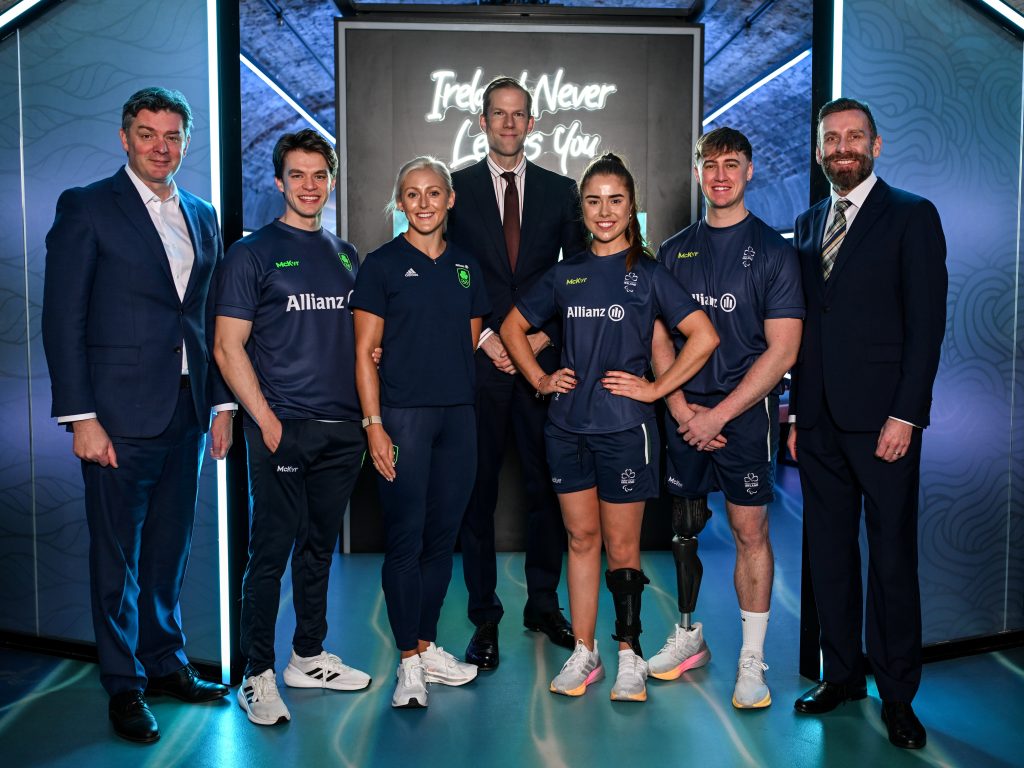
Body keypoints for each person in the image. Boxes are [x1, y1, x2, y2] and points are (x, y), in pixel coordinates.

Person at [41, 87, 233, 744]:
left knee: (168, 552)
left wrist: (221, 403)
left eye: (173, 135)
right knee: (116, 557)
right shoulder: (88, 207)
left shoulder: (202, 214)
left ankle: (165, 662)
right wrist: (81, 417)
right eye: (148, 133)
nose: (161, 146)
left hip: (184, 410)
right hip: (115, 416)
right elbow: (62, 318)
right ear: (125, 137)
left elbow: (206, 319)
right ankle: (123, 686)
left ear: (185, 142)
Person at [502, 153, 718, 702]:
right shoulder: (566, 273)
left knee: (622, 549)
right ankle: (585, 651)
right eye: (593, 200)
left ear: (631, 208)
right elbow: (511, 325)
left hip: (625, 431)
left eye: (615, 200)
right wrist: (540, 380)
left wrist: (653, 389)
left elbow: (704, 336)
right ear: (583, 208)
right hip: (566, 429)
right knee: (580, 539)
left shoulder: (647, 274)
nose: (604, 211)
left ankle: (629, 653)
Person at [789, 98, 946, 750]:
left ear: (875, 146)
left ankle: (899, 695)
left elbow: (927, 325)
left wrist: (906, 415)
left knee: (890, 562)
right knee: (827, 557)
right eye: (832, 139)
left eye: (854, 137)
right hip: (820, 422)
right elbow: (801, 331)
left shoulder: (912, 216)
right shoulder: (806, 222)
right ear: (821, 151)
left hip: (885, 424)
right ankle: (843, 675)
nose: (843, 147)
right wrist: (796, 412)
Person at [213, 129, 372, 726]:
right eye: (298, 175)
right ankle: (257, 673)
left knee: (318, 550)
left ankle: (308, 656)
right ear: (279, 182)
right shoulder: (250, 254)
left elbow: (356, 339)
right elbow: (228, 348)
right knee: (270, 552)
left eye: (319, 176)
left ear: (330, 182)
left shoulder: (345, 253)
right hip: (282, 428)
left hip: (341, 430)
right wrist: (266, 422)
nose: (309, 186)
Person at [647, 127, 804, 710]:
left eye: (731, 164)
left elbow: (783, 350)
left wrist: (721, 415)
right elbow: (658, 337)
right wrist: (685, 408)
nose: (720, 175)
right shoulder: (673, 250)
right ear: (697, 172)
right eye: (710, 165)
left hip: (742, 416)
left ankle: (751, 659)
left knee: (749, 532)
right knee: (683, 527)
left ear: (749, 171)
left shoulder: (774, 250)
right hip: (686, 414)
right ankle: (690, 637)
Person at [447, 76, 587, 668]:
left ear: (533, 124)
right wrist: (485, 337)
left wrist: (538, 337)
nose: (508, 124)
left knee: (546, 490)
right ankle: (484, 616)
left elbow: (580, 275)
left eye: (518, 115)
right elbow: (443, 272)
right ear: (482, 122)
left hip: (542, 362)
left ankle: (542, 601)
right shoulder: (453, 190)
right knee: (475, 495)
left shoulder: (562, 191)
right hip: (479, 364)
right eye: (498, 114)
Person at [351, 156, 490, 708]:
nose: (425, 203)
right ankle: (407, 661)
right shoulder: (381, 266)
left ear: (449, 200)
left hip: (459, 419)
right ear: (400, 202)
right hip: (403, 418)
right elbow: (364, 353)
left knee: (441, 541)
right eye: (413, 194)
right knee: (405, 542)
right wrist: (374, 425)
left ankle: (427, 645)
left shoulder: (467, 268)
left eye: (435, 193)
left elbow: (468, 341)